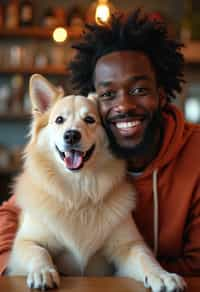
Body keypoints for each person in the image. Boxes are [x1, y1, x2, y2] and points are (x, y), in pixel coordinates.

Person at [0, 9, 200, 276]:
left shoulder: (194, 153)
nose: (124, 105)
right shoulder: (83, 160)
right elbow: (12, 215)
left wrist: (123, 277)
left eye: (139, 89)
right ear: (99, 102)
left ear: (162, 94)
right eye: (108, 94)